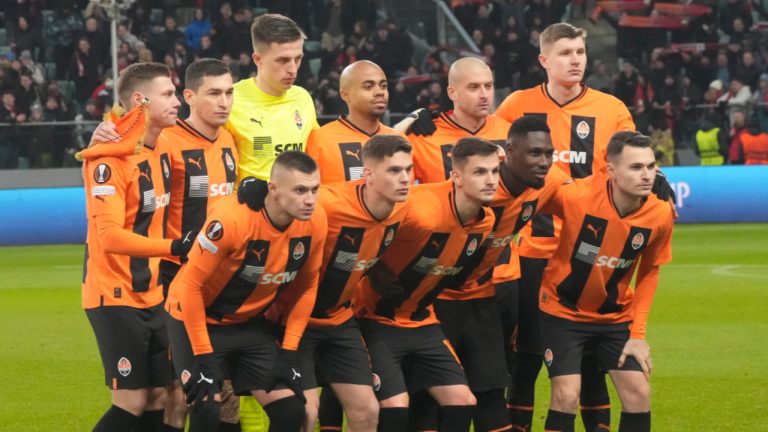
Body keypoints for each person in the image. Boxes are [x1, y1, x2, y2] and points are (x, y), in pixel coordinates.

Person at [494, 22, 635, 431]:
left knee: (590, 361)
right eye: (565, 53)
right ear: (544, 60)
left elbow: (630, 163)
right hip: (531, 252)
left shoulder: (611, 110)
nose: (575, 60)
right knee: (527, 356)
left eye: (580, 52)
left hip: (587, 253)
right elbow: (486, 147)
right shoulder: (516, 106)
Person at [416, 116, 572, 432]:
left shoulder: (543, 183)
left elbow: (590, 197)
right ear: (508, 152)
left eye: (548, 154)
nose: (544, 162)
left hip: (482, 298)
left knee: (490, 395)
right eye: (534, 154)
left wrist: (652, 182)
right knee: (430, 400)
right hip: (434, 303)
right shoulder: (463, 192)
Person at [164, 151, 327, 432]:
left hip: (247, 324)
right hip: (194, 319)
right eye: (300, 190)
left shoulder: (315, 221)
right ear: (273, 189)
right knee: (205, 408)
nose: (310, 199)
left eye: (314, 189)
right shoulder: (232, 219)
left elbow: (308, 287)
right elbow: (191, 286)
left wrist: (288, 354)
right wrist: (203, 358)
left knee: (291, 411)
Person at [354, 137, 500, 432]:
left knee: (463, 401)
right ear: (456, 177)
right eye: (480, 172)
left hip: (422, 321)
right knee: (393, 407)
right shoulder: (418, 209)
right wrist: (372, 266)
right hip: (374, 319)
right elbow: (366, 218)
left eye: (495, 171)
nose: (490, 180)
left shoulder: (485, 223)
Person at [80, 62, 192, 432]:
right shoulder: (108, 159)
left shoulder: (163, 145)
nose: (177, 101)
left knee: (162, 396)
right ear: (140, 100)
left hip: (152, 293)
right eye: (169, 94)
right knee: (131, 402)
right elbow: (109, 238)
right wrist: (174, 246)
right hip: (114, 295)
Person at [538, 131, 674, 432]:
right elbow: (529, 196)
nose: (647, 175)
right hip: (563, 313)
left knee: (639, 393)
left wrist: (638, 334)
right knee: (566, 395)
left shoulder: (661, 213)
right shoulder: (576, 196)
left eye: (651, 166)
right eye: (636, 167)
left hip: (614, 318)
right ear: (611, 171)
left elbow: (650, 271)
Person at [292, 135, 413, 431]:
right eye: (395, 171)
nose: (405, 179)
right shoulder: (329, 203)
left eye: (408, 169)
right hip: (295, 320)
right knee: (305, 414)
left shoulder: (404, 207)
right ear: (368, 174)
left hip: (340, 320)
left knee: (367, 411)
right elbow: (283, 199)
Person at [156, 58, 239, 431]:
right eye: (214, 93)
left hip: (222, 281)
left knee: (226, 388)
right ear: (189, 96)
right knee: (180, 388)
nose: (224, 102)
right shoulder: (166, 141)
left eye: (229, 92)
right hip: (177, 279)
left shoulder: (229, 140)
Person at [225, 13, 318, 182]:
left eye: (297, 59)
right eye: (283, 60)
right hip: (248, 206)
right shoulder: (230, 100)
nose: (293, 69)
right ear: (258, 59)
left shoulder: (303, 98)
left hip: (295, 205)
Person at [396, 57, 510, 184]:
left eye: (488, 86)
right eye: (474, 87)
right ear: (452, 93)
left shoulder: (509, 133)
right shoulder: (423, 139)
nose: (484, 95)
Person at [305, 60, 406, 184]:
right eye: (368, 86)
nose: (380, 92)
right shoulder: (320, 140)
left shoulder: (399, 140)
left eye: (383, 86)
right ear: (345, 94)